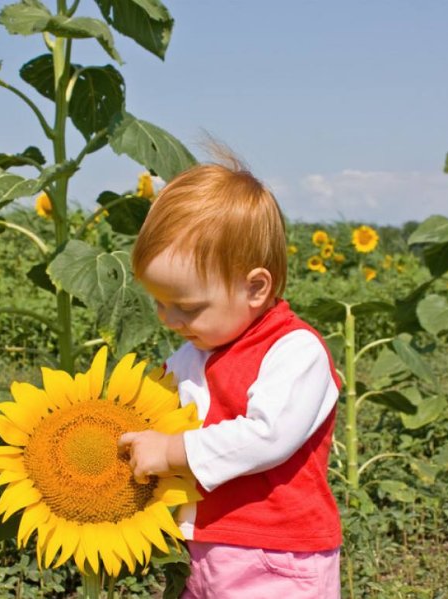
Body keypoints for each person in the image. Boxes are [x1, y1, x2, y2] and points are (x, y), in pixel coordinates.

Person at [117, 142, 343, 598]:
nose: (170, 320)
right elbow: (153, 413)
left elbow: (269, 435)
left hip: (276, 554)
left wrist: (173, 450)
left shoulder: (295, 351)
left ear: (255, 287)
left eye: (187, 306)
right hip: (201, 549)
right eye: (159, 302)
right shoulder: (191, 356)